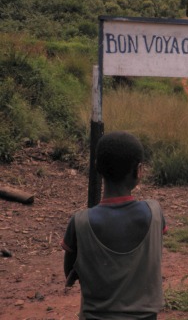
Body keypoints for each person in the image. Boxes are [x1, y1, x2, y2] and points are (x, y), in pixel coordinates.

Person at [62, 131, 167, 319]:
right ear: (139, 170)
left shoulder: (80, 223)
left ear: (97, 167)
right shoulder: (154, 213)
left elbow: (70, 271)